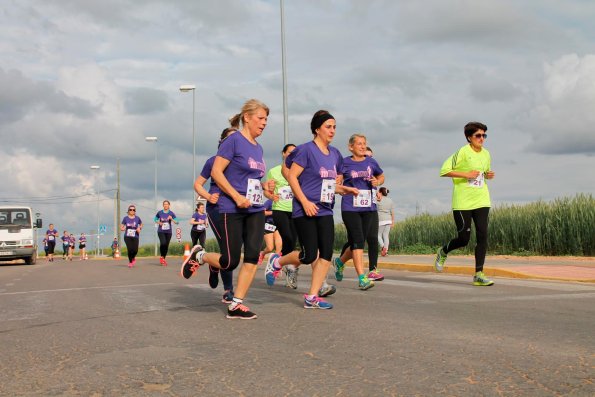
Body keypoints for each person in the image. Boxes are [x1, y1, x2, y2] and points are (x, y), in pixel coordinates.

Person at [182, 99, 271, 319]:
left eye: (266, 120)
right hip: (230, 208)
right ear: (247, 117)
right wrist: (236, 196)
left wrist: (265, 187)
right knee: (230, 261)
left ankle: (236, 304)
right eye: (260, 118)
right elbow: (217, 173)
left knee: (252, 256)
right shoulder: (232, 142)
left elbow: (251, 179)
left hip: (254, 208)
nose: (264, 123)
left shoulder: (258, 148)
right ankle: (200, 255)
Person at [264, 110, 358, 310]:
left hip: (325, 209)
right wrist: (305, 202)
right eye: (328, 127)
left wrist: (344, 189)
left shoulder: (335, 154)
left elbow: (330, 183)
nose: (332, 131)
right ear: (317, 129)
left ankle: (312, 297)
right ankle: (277, 262)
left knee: (325, 254)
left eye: (334, 127)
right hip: (304, 209)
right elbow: (292, 177)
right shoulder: (306, 150)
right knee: (308, 256)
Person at [434, 121, 495, 286]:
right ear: (469, 137)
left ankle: (479, 274)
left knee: (483, 235)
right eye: (478, 135)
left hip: (482, 199)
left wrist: (487, 175)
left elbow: (482, 173)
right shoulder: (462, 152)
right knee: (464, 239)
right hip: (463, 203)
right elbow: (444, 171)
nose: (482, 138)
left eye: (484, 135)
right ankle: (443, 250)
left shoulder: (486, 154)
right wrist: (466, 173)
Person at [333, 134, 384, 290]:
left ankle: (340, 262)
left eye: (364, 144)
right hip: (350, 207)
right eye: (359, 144)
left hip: (368, 207)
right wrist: (341, 189)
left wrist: (377, 182)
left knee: (358, 242)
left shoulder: (371, 162)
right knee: (358, 240)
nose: (362, 146)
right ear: (351, 147)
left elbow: (381, 176)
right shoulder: (344, 163)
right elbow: (337, 181)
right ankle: (362, 278)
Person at [192, 127, 237, 303]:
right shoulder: (213, 161)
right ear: (222, 142)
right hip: (217, 208)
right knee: (228, 251)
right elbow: (198, 184)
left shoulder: (242, 162)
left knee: (236, 249)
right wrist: (209, 196)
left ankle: (213, 262)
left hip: (238, 210)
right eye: (232, 139)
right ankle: (228, 290)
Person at [264, 144, 301, 289]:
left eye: (295, 153)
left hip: (296, 210)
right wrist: (271, 195)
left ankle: (282, 264)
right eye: (290, 152)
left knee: (292, 243)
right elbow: (267, 192)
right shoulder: (273, 171)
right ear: (284, 153)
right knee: (288, 238)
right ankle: (283, 265)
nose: (292, 155)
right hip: (279, 209)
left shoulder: (299, 171)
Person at [154, 200, 179, 266]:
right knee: (163, 243)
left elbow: (177, 222)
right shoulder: (160, 212)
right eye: (164, 204)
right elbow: (155, 219)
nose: (165, 205)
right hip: (161, 231)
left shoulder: (171, 213)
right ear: (163, 205)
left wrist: (172, 219)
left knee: (166, 245)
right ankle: (162, 257)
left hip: (168, 232)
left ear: (169, 205)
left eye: (167, 204)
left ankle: (163, 258)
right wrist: (159, 222)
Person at [377, 187, 394, 257]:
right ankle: (386, 251)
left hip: (381, 220)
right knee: (386, 236)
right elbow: (392, 212)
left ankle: (383, 247)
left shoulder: (378, 200)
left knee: (377, 235)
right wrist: (393, 221)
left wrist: (377, 195)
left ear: (380, 192)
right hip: (389, 220)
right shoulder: (390, 200)